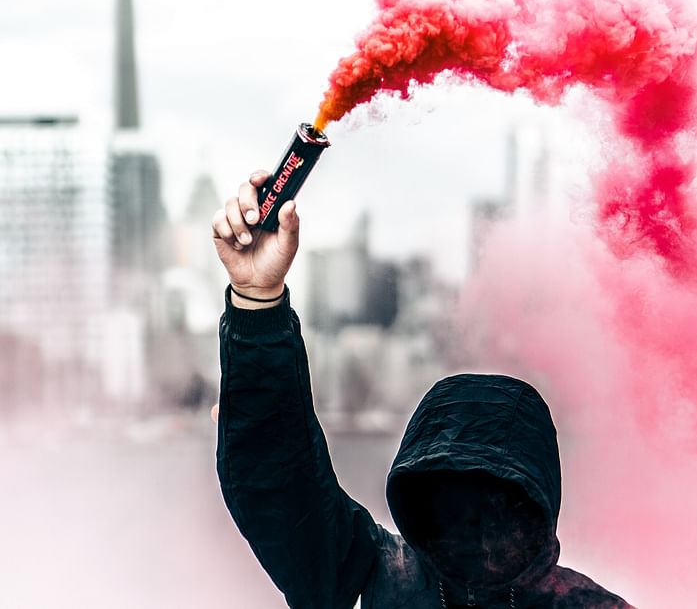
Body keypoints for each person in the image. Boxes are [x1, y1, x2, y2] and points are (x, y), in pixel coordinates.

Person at [212, 170, 635, 609]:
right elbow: (278, 479)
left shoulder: (374, 573)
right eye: (451, 494)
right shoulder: (373, 573)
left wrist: (258, 303)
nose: (473, 526)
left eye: (494, 499)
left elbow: (278, 482)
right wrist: (256, 299)